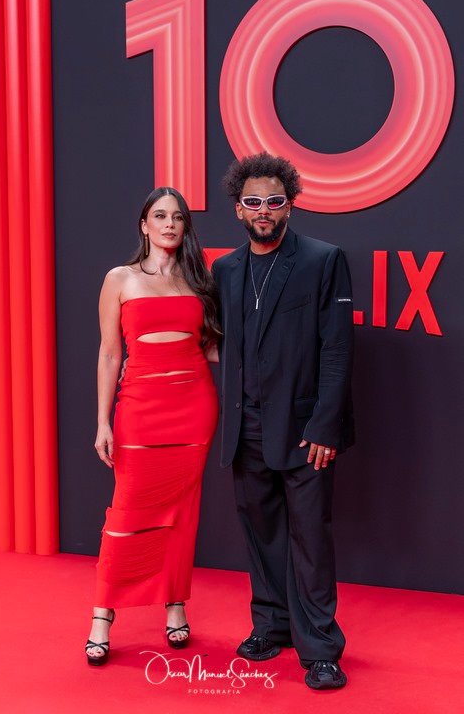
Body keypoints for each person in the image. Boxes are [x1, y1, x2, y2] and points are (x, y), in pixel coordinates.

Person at [212, 152, 354, 690]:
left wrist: (325, 425)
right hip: (244, 428)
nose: (264, 210)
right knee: (261, 532)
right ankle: (271, 626)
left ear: (290, 205)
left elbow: (337, 349)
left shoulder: (323, 259)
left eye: (274, 201)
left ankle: (320, 648)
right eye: (253, 202)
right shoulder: (226, 270)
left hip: (304, 431)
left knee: (310, 540)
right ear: (239, 209)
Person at [85, 187, 219, 665]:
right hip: (140, 407)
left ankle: (175, 604)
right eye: (159, 216)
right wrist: (102, 421)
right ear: (144, 225)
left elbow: (211, 349)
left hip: (194, 406)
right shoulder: (120, 279)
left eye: (177, 217)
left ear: (185, 227)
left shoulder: (200, 281)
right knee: (127, 512)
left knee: (182, 512)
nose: (169, 224)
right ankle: (102, 615)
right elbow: (109, 353)